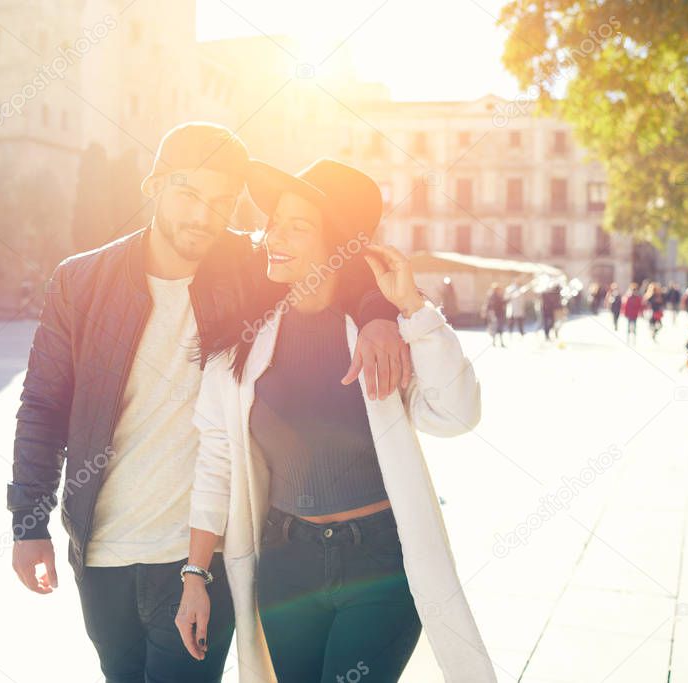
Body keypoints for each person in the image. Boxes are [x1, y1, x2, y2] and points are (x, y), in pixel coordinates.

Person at [6, 124, 408, 683]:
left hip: (205, 554)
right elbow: (43, 406)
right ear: (153, 186)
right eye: (189, 194)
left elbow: (339, 257)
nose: (203, 215)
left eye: (221, 202)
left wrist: (377, 315)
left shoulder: (247, 269)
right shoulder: (79, 281)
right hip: (101, 552)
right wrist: (28, 521)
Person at [177, 158, 496, 683]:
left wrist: (413, 309)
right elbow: (215, 460)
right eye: (274, 221)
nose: (272, 235)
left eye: (297, 226)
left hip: (380, 567)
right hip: (286, 567)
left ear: (340, 245)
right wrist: (194, 575)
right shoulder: (242, 343)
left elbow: (457, 415)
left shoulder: (383, 332)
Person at [484, 283, 507, 347]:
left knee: (499, 329)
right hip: (495, 314)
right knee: (496, 328)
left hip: (498, 314)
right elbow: (492, 305)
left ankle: (499, 342)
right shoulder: (493, 296)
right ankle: (495, 342)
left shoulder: (498, 296)